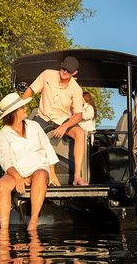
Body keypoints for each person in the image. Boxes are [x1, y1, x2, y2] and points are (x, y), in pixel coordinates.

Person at [0, 92, 61, 231]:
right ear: (13, 113)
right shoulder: (3, 134)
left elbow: (47, 147)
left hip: (38, 168)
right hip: (16, 172)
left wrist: (53, 173)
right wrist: (18, 177)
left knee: (41, 175)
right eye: (22, 107)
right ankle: (3, 230)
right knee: (2, 184)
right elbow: (5, 160)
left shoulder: (34, 126)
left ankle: (33, 220)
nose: (26, 108)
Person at [22, 56, 88, 186]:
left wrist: (65, 126)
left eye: (68, 71)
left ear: (74, 73)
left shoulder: (76, 89)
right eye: (63, 68)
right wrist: (19, 108)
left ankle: (77, 177)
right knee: (26, 134)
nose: (64, 72)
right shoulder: (47, 74)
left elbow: (78, 115)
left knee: (80, 133)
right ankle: (26, 175)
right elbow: (30, 91)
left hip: (62, 119)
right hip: (43, 116)